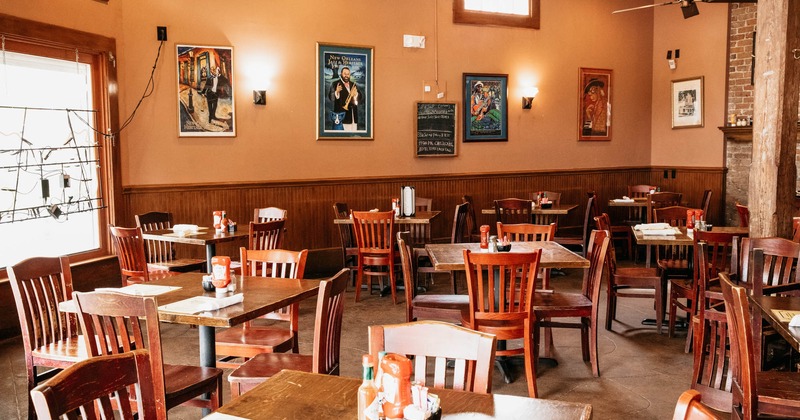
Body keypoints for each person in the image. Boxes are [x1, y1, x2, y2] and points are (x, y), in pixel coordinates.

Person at [328, 66, 363, 131]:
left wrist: (356, 94)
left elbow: (360, 97)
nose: (346, 76)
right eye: (345, 74)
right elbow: (331, 98)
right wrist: (337, 92)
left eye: (348, 74)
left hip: (353, 117)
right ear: (341, 74)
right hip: (342, 118)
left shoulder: (353, 84)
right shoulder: (335, 84)